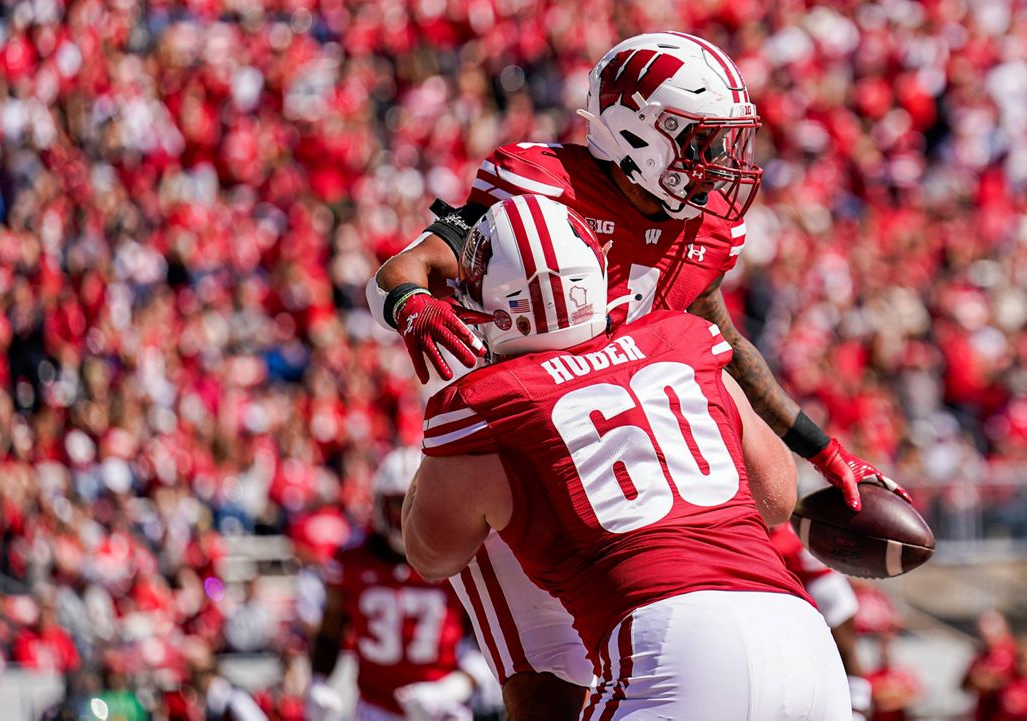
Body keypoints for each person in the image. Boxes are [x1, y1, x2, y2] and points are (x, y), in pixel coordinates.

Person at [367, 31, 908, 717]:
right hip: (529, 443)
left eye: (723, 142)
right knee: (547, 677)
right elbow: (410, 266)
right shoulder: (540, 192)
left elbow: (728, 338)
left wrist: (822, 447)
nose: (719, 165)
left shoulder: (697, 249)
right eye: (702, 143)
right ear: (635, 135)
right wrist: (411, 303)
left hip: (625, 447)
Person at [402, 194, 851, 719]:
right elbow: (776, 498)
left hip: (668, 652)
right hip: (801, 638)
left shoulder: (488, 404)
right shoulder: (682, 340)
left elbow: (432, 554)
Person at [307, 447, 484, 721]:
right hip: (376, 709)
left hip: (442, 710)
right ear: (378, 505)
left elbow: (485, 643)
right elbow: (331, 631)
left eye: (416, 505)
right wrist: (318, 680)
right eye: (398, 506)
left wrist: (451, 690)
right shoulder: (353, 560)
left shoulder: (458, 556)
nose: (406, 519)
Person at [770, 523, 871, 719]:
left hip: (825, 589)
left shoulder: (781, 540)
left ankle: (859, 707)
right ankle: (858, 704)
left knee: (845, 651)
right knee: (842, 652)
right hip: (822, 588)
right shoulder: (793, 529)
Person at [962, 610, 1018, 721]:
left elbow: (1001, 683)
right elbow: (965, 683)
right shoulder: (982, 655)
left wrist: (982, 678)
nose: (984, 638)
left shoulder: (1013, 651)